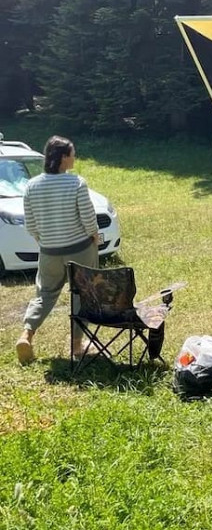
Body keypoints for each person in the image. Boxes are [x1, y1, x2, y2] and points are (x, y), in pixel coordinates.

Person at [15, 136, 99, 364]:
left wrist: (45, 241)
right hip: (80, 249)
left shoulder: (32, 186)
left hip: (49, 252)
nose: (74, 157)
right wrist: (95, 237)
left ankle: (27, 334)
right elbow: (88, 218)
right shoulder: (76, 183)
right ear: (63, 158)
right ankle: (77, 346)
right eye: (72, 153)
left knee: (45, 294)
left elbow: (30, 224)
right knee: (83, 294)